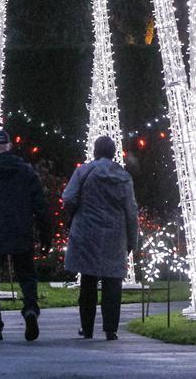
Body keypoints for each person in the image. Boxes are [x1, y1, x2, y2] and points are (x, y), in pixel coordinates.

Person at [0, 130, 51, 342]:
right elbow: (40, 204)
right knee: (26, 274)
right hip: (21, 228)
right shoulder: (25, 170)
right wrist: (45, 233)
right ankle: (30, 308)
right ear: (9, 146)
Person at [62, 135, 138, 341]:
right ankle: (110, 329)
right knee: (113, 282)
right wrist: (132, 240)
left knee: (88, 280)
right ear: (114, 153)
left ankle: (87, 328)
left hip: (87, 232)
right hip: (114, 235)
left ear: (95, 151)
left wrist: (76, 212)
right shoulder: (123, 177)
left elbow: (68, 197)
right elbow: (131, 210)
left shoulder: (84, 171)